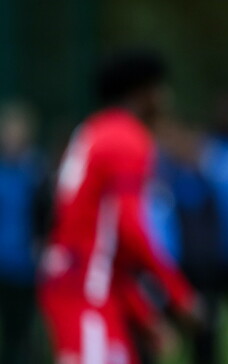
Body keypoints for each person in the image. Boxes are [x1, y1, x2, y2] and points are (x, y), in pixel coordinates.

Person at [38, 50, 200, 364]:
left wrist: (141, 312)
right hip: (86, 288)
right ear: (144, 93)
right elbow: (130, 230)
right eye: (160, 89)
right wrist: (180, 295)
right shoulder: (126, 138)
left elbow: (103, 238)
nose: (166, 98)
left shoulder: (94, 131)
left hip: (84, 282)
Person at [0, 102, 46, 364]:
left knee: (24, 330)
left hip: (26, 264)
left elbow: (46, 214)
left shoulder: (36, 173)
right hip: (2, 262)